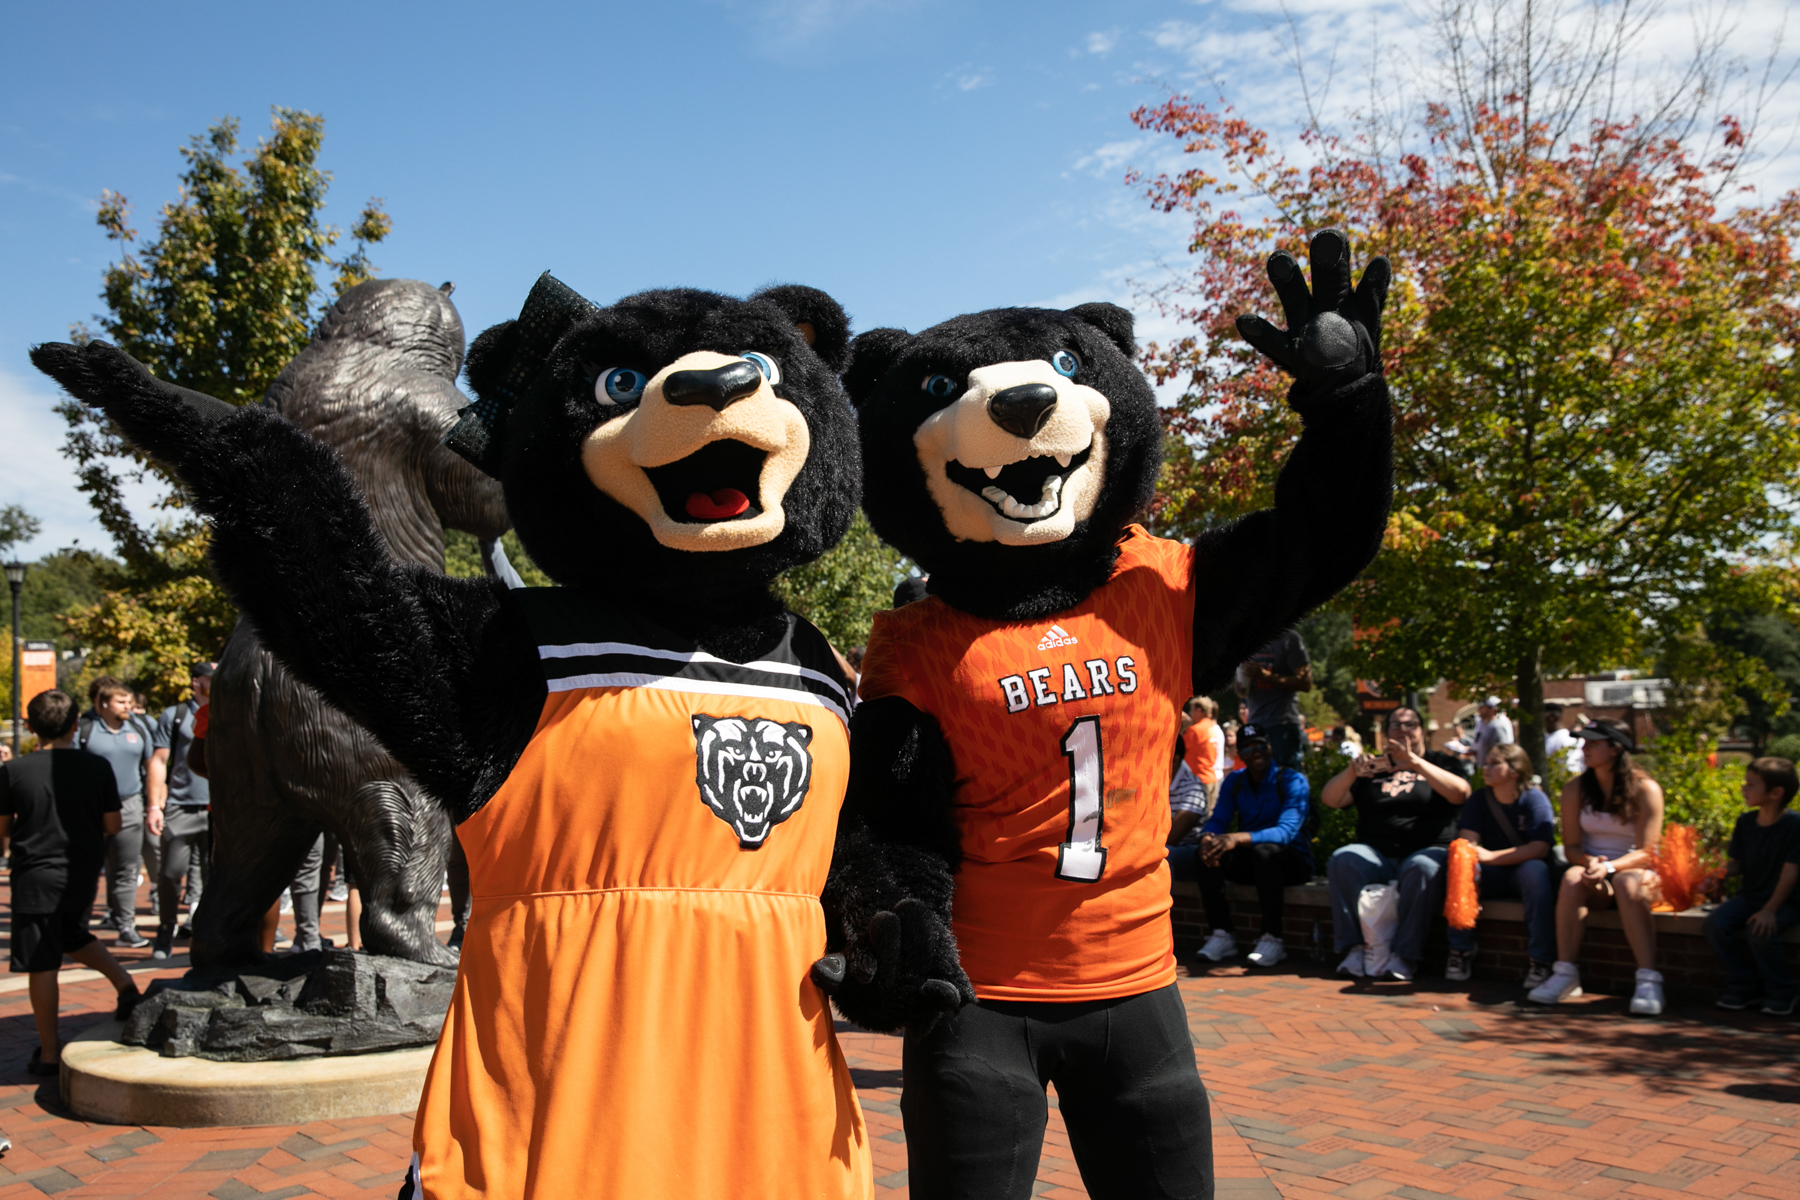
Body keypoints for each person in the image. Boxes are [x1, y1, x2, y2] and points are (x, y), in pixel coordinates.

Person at [0, 690, 141, 1074]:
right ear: (76, 724)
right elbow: (113, 824)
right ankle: (126, 985)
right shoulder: (97, 767)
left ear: (29, 727)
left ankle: (48, 1053)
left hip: (35, 876)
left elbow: (3, 829)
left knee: (43, 962)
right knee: (73, 936)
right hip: (81, 872)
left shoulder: (14, 771)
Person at [1321, 706, 1472, 981]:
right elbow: (1331, 799)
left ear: (1422, 730)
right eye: (1396, 725)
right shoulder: (1375, 768)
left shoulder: (1441, 762)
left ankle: (1405, 955)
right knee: (1343, 859)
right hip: (1376, 853)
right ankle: (1355, 949)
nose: (1403, 730)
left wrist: (1415, 763)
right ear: (1386, 731)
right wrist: (1352, 772)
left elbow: (1460, 793)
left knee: (1423, 867)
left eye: (1410, 724)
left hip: (1427, 849)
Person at [1528, 719, 1666, 1014]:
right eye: (1584, 742)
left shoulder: (1646, 789)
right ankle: (1565, 973)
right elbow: (1572, 846)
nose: (1584, 748)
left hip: (1637, 874)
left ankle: (1648, 980)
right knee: (1571, 878)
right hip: (1597, 875)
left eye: (1593, 743)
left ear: (1616, 749)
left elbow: (1648, 853)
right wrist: (1588, 861)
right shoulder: (1575, 789)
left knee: (1627, 882)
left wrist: (1611, 867)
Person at [1183, 724, 1314, 967]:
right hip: (1254, 862)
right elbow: (1219, 819)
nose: (1255, 751)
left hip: (1291, 862)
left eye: (1260, 745)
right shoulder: (1235, 781)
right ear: (1238, 753)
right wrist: (1208, 838)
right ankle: (1221, 932)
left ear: (1270, 747)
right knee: (1205, 854)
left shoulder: (1293, 780)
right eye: (1247, 747)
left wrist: (1236, 838)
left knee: (1265, 854)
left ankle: (1272, 937)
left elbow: (1285, 832)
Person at [1445, 742, 1557, 987]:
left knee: (1535, 871)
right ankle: (1460, 951)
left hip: (1523, 871)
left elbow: (1539, 848)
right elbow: (1468, 842)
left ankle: (1541, 960)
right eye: (1486, 762)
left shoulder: (1534, 800)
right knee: (1461, 864)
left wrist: (1491, 857)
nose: (1486, 767)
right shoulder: (1479, 799)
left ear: (1515, 770)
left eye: (1495, 763)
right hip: (1492, 874)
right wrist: (1476, 855)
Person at [1705, 756, 1800, 1016]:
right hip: (1750, 896)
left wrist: (1770, 910)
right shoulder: (1746, 822)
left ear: (1776, 793)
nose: (1743, 788)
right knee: (1716, 924)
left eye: (1751, 784)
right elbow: (1738, 864)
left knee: (1760, 931)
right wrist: (1717, 873)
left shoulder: (1794, 826)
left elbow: (1790, 873)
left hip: (1787, 900)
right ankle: (1745, 985)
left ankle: (1782, 991)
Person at [79, 677, 154, 948]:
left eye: (129, 701)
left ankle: (126, 926)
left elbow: (153, 765)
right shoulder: (85, 729)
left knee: (126, 869)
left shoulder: (138, 729)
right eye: (121, 701)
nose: (127, 706)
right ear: (103, 705)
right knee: (87, 870)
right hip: (91, 809)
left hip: (129, 806)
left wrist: (153, 804)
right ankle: (79, 928)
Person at [147, 662, 213, 959]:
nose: (215, 682)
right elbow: (159, 761)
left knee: (215, 876)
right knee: (171, 874)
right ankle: (166, 930)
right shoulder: (176, 716)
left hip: (218, 807)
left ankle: (209, 931)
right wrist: (154, 805)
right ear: (196, 682)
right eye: (209, 678)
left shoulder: (231, 709)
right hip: (180, 806)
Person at [1237, 630, 1311, 769]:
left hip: (1282, 725)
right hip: (1255, 725)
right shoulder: (1247, 639)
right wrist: (1241, 688)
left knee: (1286, 782)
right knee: (1259, 784)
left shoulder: (1289, 638)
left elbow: (1305, 683)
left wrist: (1264, 676)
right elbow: (1243, 690)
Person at [1179, 696, 1224, 809]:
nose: (1190, 713)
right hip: (1212, 778)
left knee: (1196, 819)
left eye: (1191, 709)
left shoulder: (1195, 730)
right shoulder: (1214, 728)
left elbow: (1177, 749)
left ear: (1199, 710)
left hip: (1199, 781)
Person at [1470, 697, 1514, 768]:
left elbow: (1503, 750)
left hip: (1493, 769)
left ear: (1492, 710)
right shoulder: (1483, 725)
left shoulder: (1497, 726)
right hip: (1483, 767)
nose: (1479, 710)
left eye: (1483, 708)